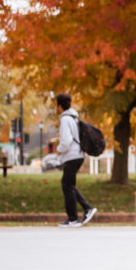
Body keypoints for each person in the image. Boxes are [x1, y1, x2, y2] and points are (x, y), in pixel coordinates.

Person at [55, 93, 98, 228]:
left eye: (56, 105)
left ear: (60, 106)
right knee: (69, 185)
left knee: (67, 185)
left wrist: (59, 149)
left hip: (71, 155)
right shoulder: (74, 118)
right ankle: (85, 210)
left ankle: (75, 218)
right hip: (78, 155)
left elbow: (66, 142)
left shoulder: (65, 120)